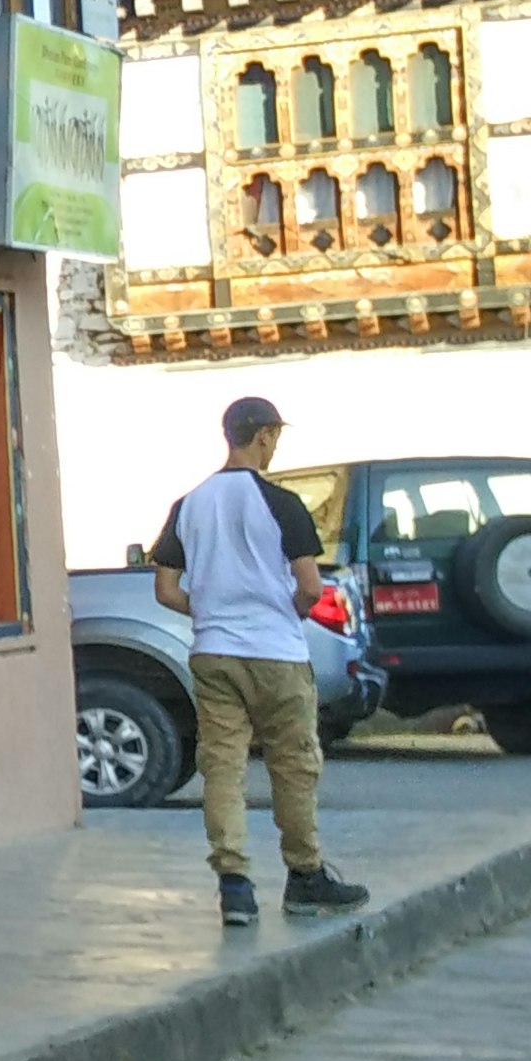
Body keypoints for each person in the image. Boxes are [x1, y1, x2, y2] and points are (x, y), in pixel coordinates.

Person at [150, 396, 368, 927]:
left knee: (222, 767)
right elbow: (310, 588)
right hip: (276, 654)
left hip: (213, 652)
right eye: (275, 437)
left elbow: (165, 589)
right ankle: (305, 875)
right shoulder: (283, 504)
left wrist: (210, 610)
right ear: (265, 435)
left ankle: (235, 886)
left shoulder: (190, 503)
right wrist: (282, 612)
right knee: (292, 766)